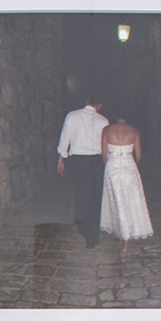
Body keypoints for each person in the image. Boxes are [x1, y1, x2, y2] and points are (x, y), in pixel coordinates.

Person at [56, 98, 109, 247]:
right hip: (97, 160)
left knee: (82, 194)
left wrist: (61, 158)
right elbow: (105, 145)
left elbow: (64, 138)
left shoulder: (72, 116)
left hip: (79, 160)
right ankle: (93, 232)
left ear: (86, 101)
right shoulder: (103, 120)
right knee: (95, 195)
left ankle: (85, 228)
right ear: (99, 105)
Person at [99, 116, 153, 245]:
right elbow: (138, 155)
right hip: (129, 165)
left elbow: (104, 155)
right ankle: (127, 232)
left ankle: (122, 232)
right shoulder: (134, 131)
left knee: (115, 199)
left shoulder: (107, 130)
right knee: (131, 199)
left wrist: (111, 164)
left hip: (112, 166)